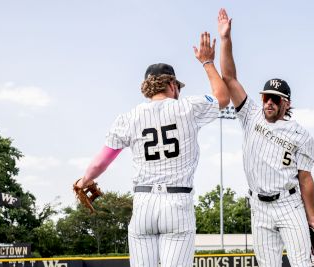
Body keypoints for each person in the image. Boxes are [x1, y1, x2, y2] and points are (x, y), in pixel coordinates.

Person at [73, 32, 229, 267]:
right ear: (172, 85)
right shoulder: (187, 108)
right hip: (177, 202)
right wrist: (207, 61)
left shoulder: (129, 117)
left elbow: (101, 162)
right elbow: (223, 97)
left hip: (143, 203)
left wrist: (85, 180)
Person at [218, 8, 314, 267]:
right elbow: (229, 78)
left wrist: (313, 220)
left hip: (289, 204)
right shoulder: (251, 115)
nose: (269, 102)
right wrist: (226, 40)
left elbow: (305, 179)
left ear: (287, 103)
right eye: (266, 97)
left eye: (276, 99)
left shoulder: (301, 135)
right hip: (259, 206)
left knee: (301, 263)